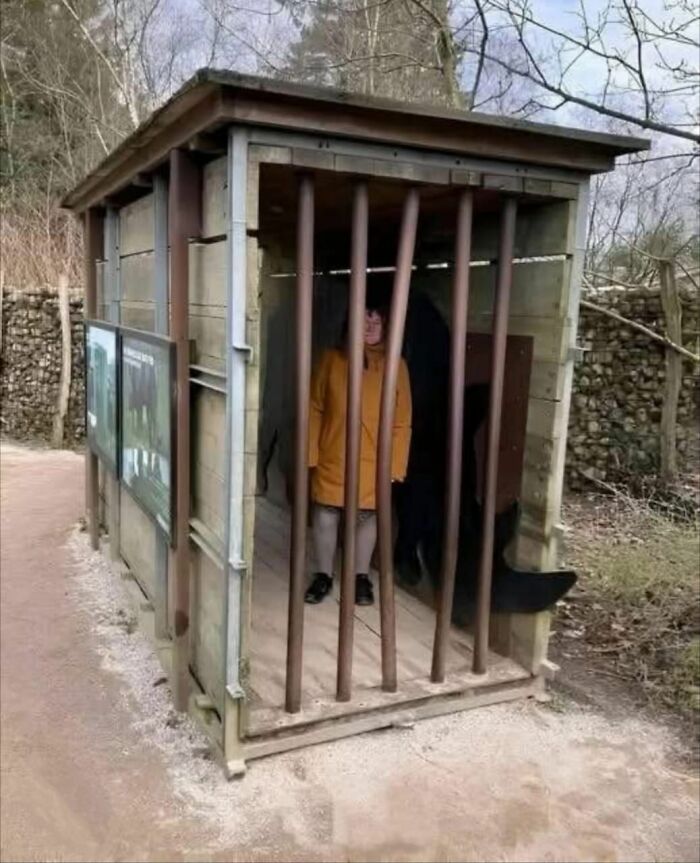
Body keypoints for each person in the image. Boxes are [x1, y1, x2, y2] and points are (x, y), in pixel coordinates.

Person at [304, 284, 412, 606]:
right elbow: (314, 407)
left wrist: (395, 466)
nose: (370, 325)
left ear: (387, 326)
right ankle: (323, 575)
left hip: (373, 459)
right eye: (364, 318)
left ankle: (360, 577)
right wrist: (311, 453)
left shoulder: (397, 366)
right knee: (326, 516)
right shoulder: (331, 359)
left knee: (367, 517)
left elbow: (402, 420)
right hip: (333, 452)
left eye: (377, 320)